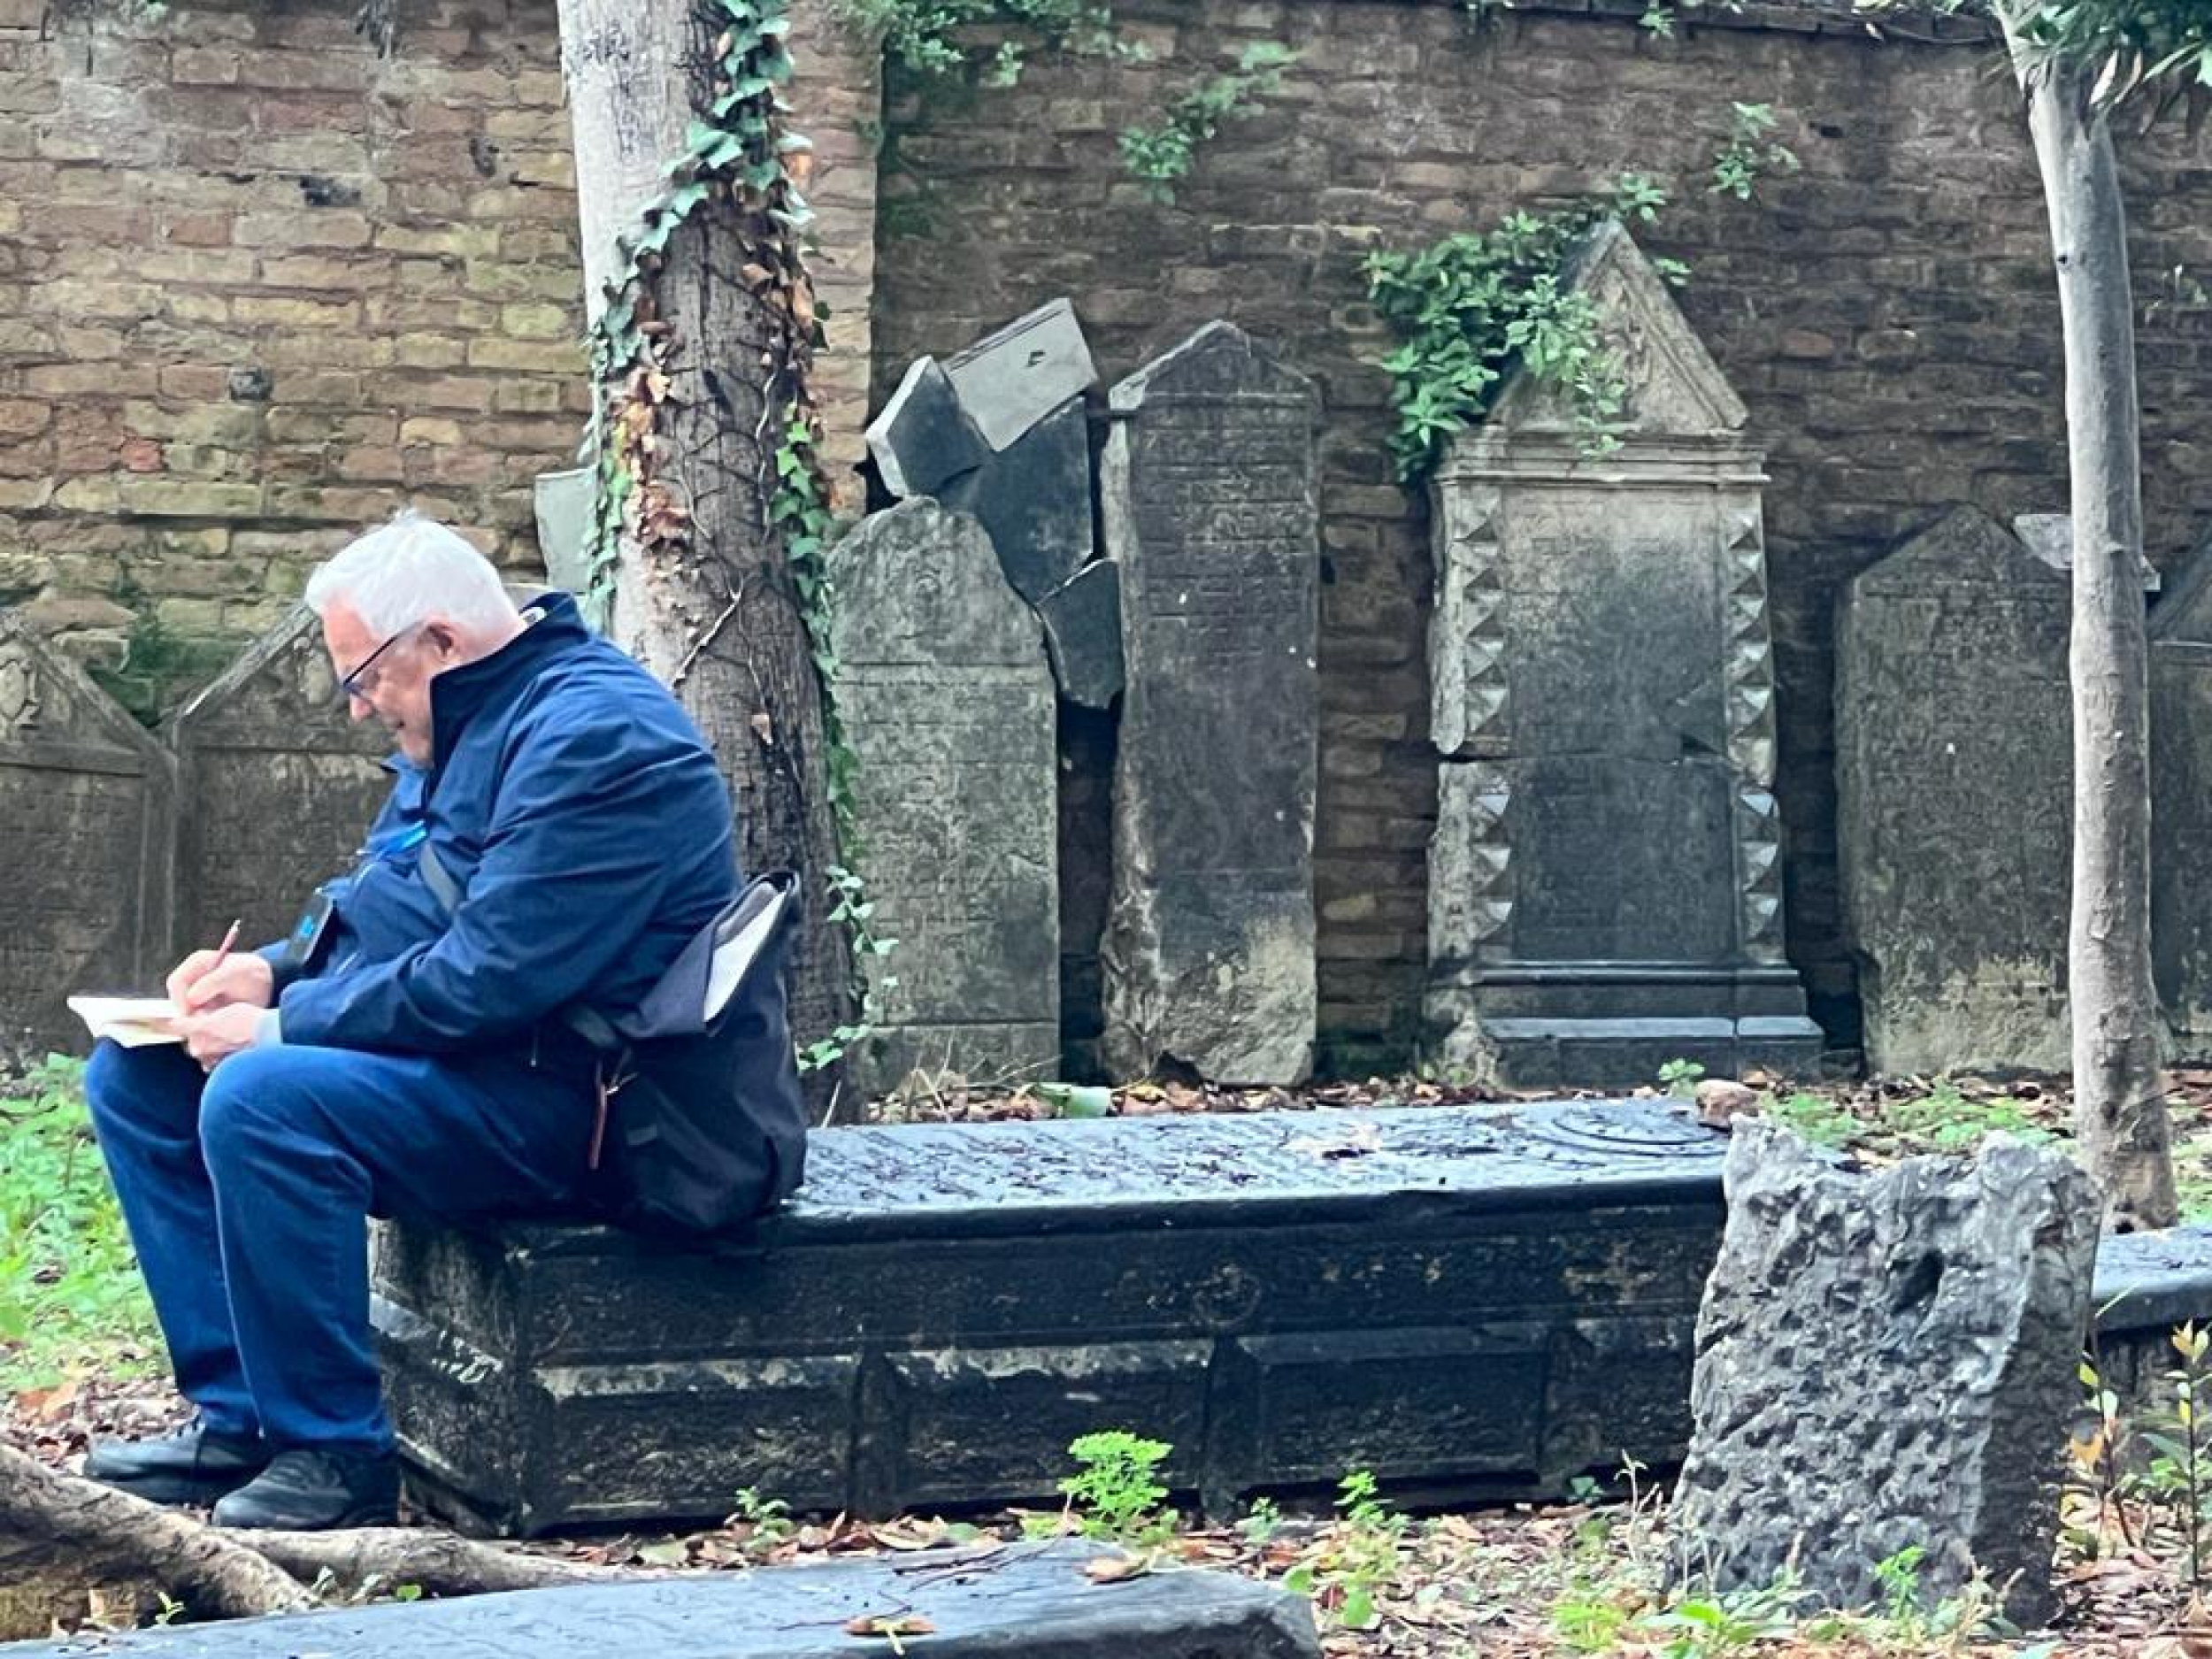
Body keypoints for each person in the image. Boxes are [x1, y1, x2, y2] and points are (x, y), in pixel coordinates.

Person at [79, 511, 740, 1530]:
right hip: (493, 1066)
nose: (357, 709)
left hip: (597, 1108)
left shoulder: (600, 740)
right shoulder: (476, 714)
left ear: (438, 639)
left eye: (362, 679)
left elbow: (487, 979)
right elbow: (395, 908)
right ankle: (240, 1418)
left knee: (262, 1094)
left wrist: (283, 1027)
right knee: (136, 1074)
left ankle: (335, 1455)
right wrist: (267, 973)